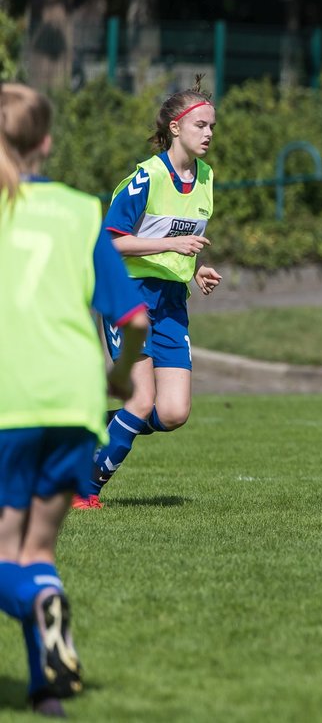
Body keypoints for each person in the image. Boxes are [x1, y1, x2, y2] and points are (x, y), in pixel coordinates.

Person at [0, 83, 148, 716]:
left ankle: (34, 603)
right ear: (48, 142)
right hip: (74, 396)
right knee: (38, 553)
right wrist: (118, 380)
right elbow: (134, 317)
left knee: (7, 554)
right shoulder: (83, 212)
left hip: (10, 396)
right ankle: (47, 690)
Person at [73, 81, 223, 509]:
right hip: (128, 295)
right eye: (200, 125)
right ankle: (84, 489)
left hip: (171, 301)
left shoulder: (206, 177)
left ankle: (88, 432)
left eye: (212, 126)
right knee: (140, 401)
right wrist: (171, 247)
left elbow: (182, 236)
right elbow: (107, 243)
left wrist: (195, 271)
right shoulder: (147, 177)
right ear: (176, 128)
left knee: (173, 412)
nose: (209, 133)